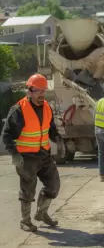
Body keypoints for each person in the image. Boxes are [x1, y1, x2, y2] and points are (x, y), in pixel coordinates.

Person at [2, 74, 63, 232]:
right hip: (26, 157)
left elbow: (50, 128)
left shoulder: (47, 107)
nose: (42, 95)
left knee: (54, 185)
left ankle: (41, 213)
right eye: (38, 91)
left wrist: (57, 138)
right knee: (28, 189)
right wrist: (14, 154)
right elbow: (6, 135)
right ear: (29, 91)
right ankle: (25, 221)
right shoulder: (18, 110)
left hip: (44, 154)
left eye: (44, 91)